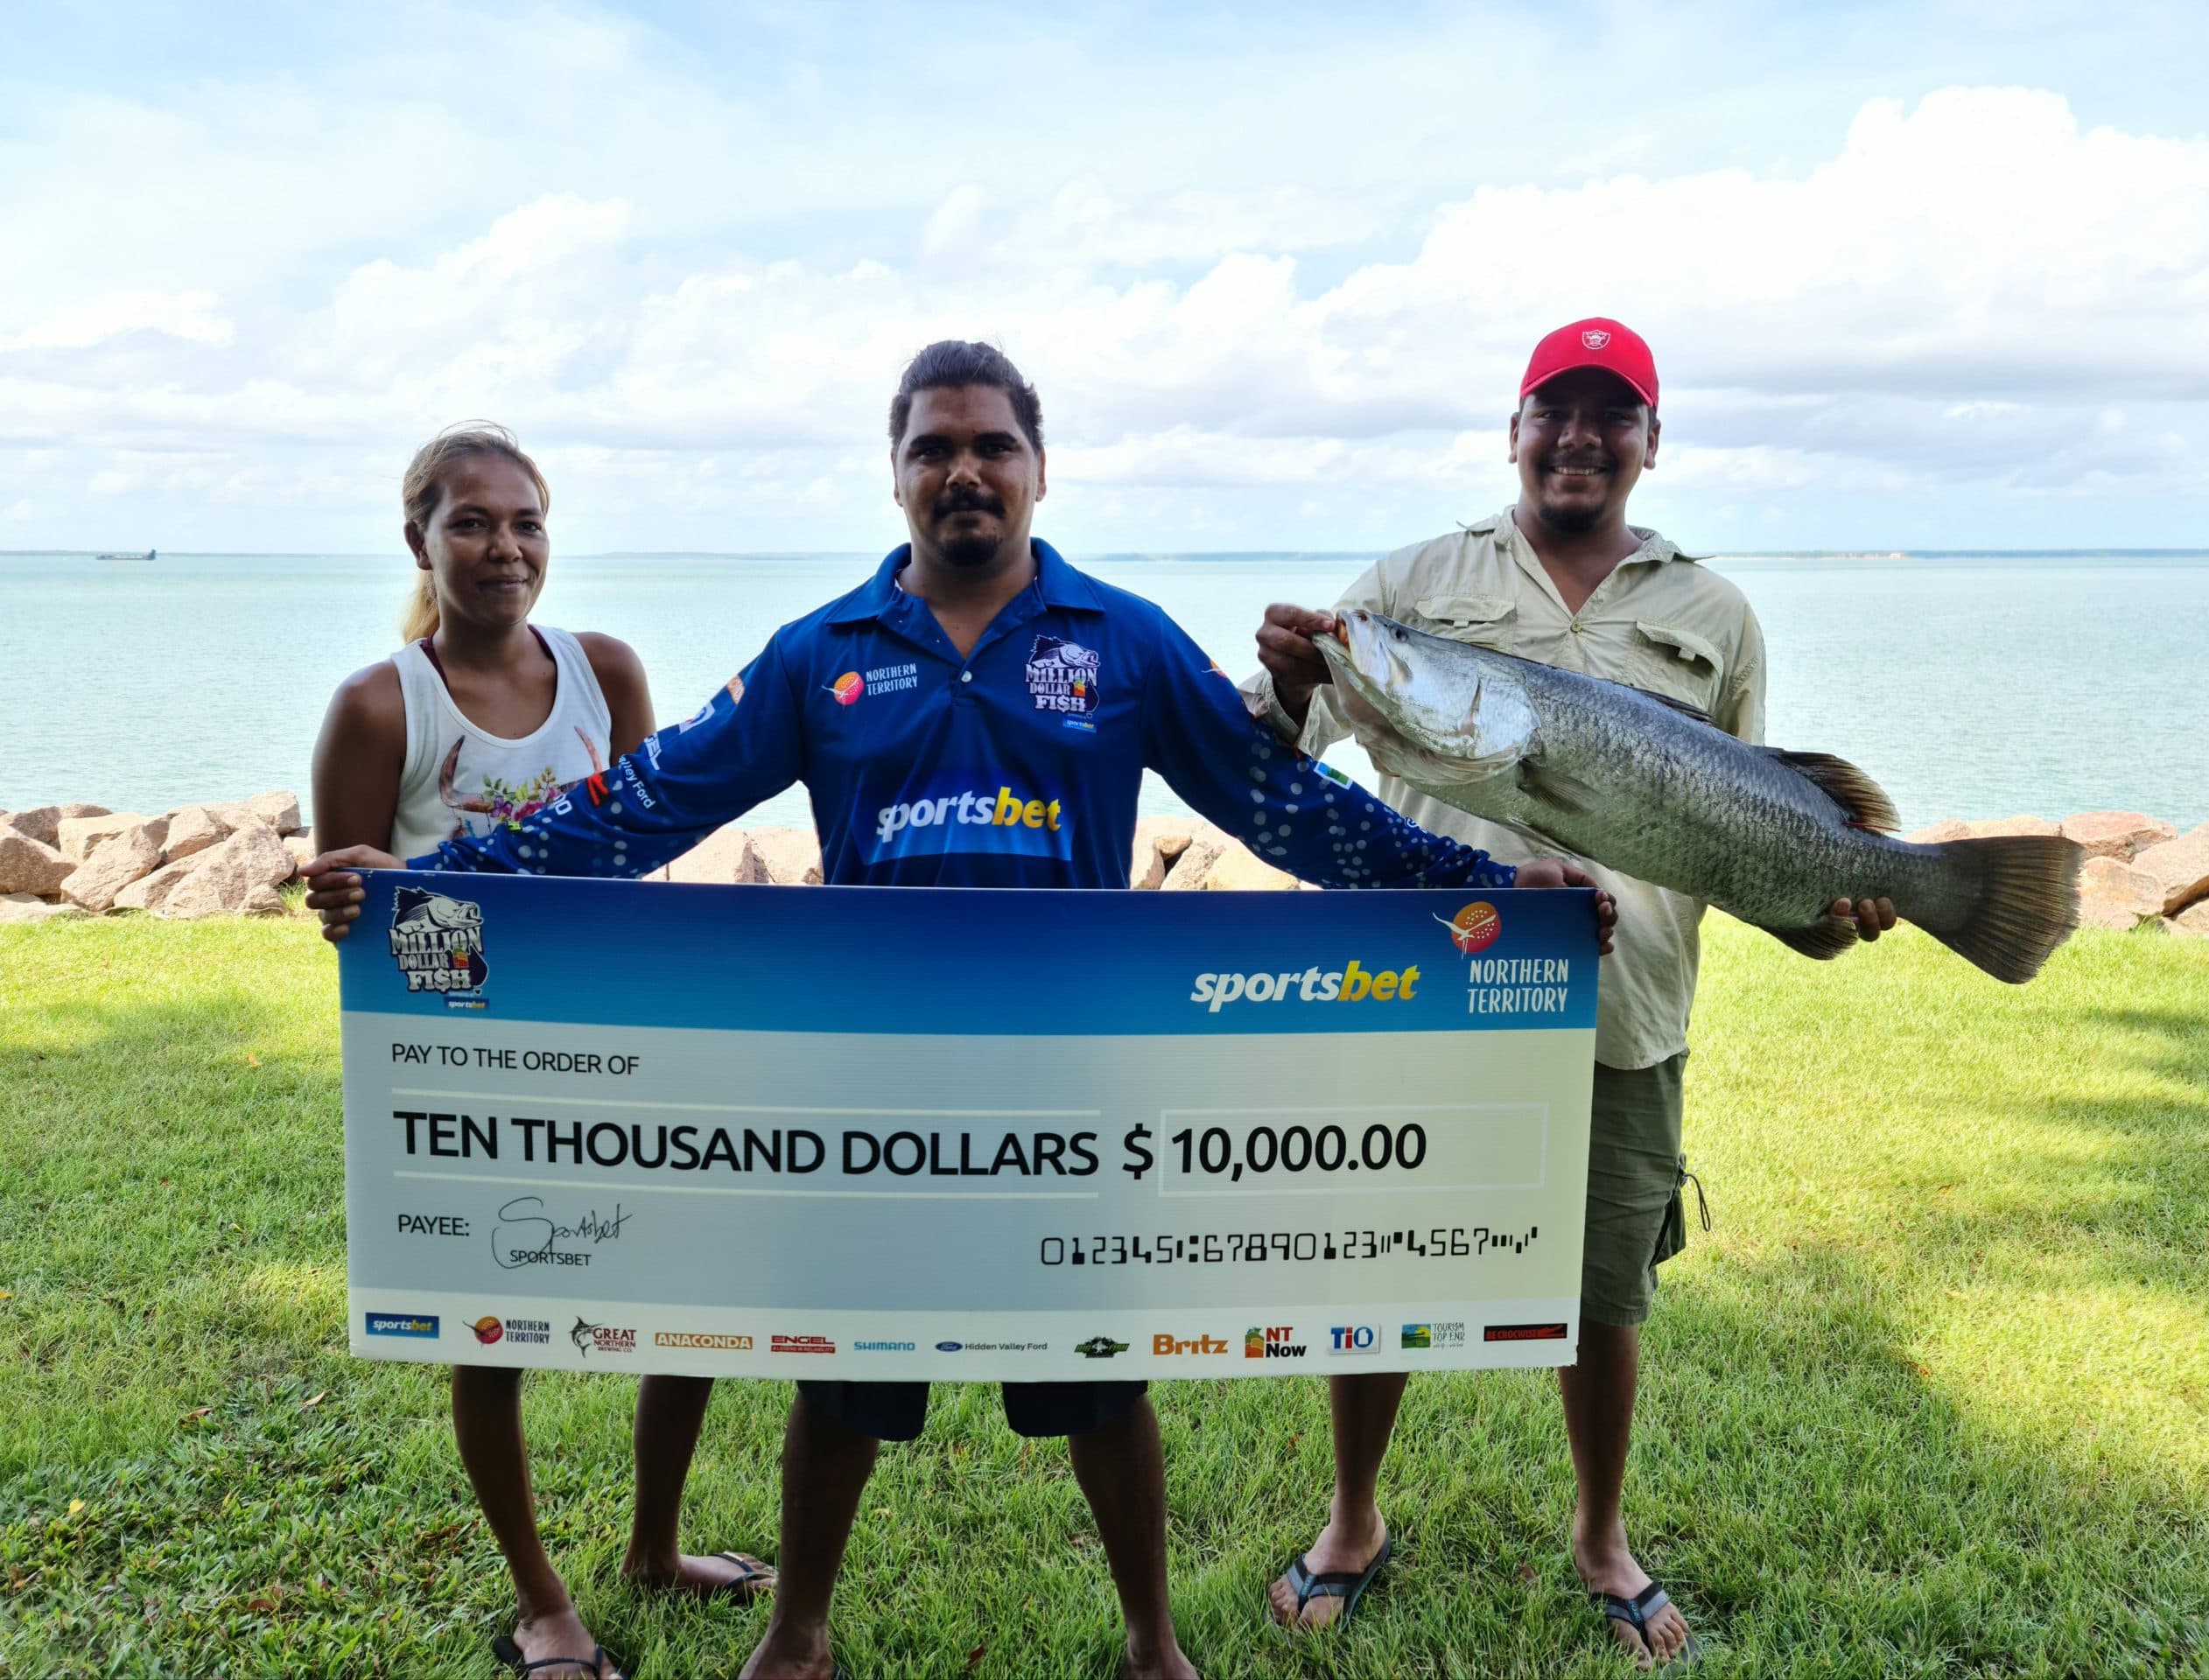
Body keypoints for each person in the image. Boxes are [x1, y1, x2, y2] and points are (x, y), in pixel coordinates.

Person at [308, 342, 1615, 1680]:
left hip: (1077, 1095)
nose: (965, 471)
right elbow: (643, 806)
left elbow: (1285, 806)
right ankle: (797, 1634)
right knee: (845, 1374)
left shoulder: (1120, 640)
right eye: (933, 448)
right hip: (872, 1097)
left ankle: (1153, 1644)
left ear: (1038, 470)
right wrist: (431, 881)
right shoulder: (822, 654)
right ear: (896, 479)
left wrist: (1489, 889)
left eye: (992, 445)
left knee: (1101, 1374)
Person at [1244, 318, 1894, 1670]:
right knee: (1381, 1262)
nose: (1581, 438)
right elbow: (1273, 744)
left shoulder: (1713, 613)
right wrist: (1297, 682)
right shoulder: (1414, 582)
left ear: (1651, 443)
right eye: (1557, 409)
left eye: (1614, 416)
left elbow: (1754, 817)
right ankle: (1352, 1516)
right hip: (1418, 990)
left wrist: (1835, 901)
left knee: (1607, 1294)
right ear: (1515, 426)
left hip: (1628, 1008)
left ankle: (1602, 1534)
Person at [309, 424, 772, 1680]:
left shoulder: (606, 672)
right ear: (423, 541)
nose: (504, 548)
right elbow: (368, 935)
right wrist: (371, 905)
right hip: (463, 1062)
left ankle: (653, 1549)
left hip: (615, 1032)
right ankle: (539, 1601)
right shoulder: (375, 704)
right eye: (472, 524)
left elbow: (638, 853)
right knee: (494, 1329)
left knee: (685, 1308)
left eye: (526, 524)